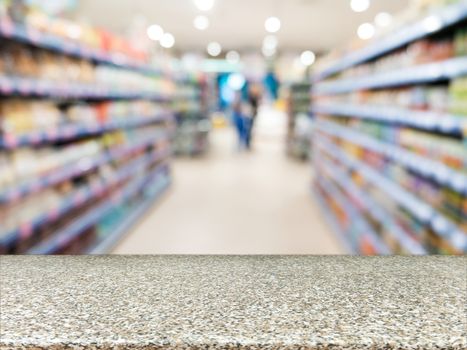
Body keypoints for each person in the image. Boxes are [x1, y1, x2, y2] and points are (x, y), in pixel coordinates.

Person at [245, 83, 262, 149]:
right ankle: (247, 143)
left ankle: (248, 143)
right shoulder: (250, 96)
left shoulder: (255, 96)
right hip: (249, 114)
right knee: (248, 129)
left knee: (250, 128)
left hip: (253, 114)